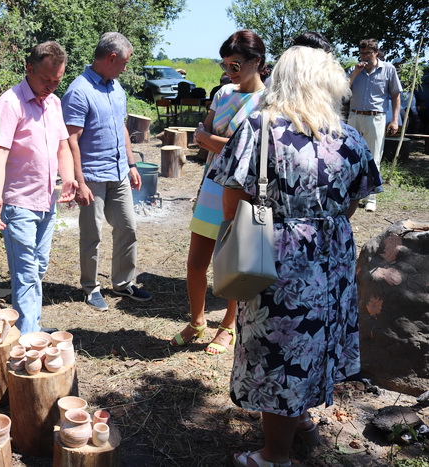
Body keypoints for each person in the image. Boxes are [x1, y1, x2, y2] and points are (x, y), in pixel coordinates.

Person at [209, 45, 382, 467]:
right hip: (333, 256)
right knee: (315, 340)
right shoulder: (349, 135)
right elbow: (355, 200)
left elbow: (232, 203)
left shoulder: (259, 128)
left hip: (279, 257)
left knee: (280, 352)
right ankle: (300, 418)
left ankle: (274, 455)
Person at [171, 30, 266, 354]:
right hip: (211, 185)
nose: (230, 72)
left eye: (236, 65)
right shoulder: (224, 93)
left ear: (257, 62)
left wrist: (210, 140)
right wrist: (215, 141)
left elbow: (242, 150)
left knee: (233, 264)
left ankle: (228, 325)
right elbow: (205, 134)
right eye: (226, 65)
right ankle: (197, 321)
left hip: (241, 190)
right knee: (196, 263)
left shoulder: (267, 103)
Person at [0, 41, 77, 334]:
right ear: (29, 69)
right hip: (18, 202)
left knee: (38, 268)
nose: (51, 86)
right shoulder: (10, 104)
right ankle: (28, 340)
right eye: (45, 79)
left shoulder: (54, 103)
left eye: (57, 81)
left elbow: (63, 145)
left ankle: (30, 326)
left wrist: (68, 177)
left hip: (46, 201)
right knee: (26, 274)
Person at [62, 32, 152, 311]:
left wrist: (132, 164)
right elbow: (70, 140)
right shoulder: (78, 91)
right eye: (124, 62)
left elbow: (121, 127)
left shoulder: (116, 87)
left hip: (118, 172)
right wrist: (79, 181)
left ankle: (124, 284)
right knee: (93, 235)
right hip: (92, 176)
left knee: (128, 228)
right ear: (111, 58)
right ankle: (91, 288)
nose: (126, 68)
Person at [348, 38, 402, 212]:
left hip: (376, 117)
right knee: (350, 156)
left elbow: (395, 95)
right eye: (361, 53)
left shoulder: (388, 69)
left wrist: (394, 120)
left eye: (367, 53)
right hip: (355, 115)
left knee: (373, 157)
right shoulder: (354, 69)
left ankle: (370, 198)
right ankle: (350, 193)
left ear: (376, 52)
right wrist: (355, 73)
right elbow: (343, 89)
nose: (364, 57)